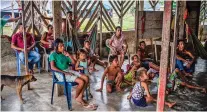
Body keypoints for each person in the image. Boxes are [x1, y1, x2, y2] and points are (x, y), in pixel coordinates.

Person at [49, 38, 98, 109]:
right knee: (81, 81)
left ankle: (79, 97)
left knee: (86, 78)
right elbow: (52, 67)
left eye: (63, 45)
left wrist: (69, 55)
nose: (63, 47)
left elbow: (74, 63)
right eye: (60, 46)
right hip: (60, 74)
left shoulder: (64, 54)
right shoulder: (53, 55)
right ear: (56, 47)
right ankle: (77, 97)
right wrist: (64, 72)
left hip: (69, 71)